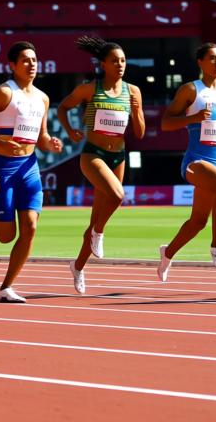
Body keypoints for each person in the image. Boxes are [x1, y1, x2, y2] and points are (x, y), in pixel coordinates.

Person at [0, 41, 63, 302]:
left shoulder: (43, 98)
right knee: (5, 236)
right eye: (25, 60)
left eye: (34, 59)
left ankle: (6, 287)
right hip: (3, 168)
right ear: (12, 65)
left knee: (30, 227)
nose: (32, 64)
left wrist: (51, 143)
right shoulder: (3, 93)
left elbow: (41, 138)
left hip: (29, 167)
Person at [57, 35, 146, 294]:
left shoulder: (133, 91)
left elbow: (139, 132)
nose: (120, 65)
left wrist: (137, 110)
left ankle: (78, 266)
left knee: (97, 216)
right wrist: (70, 129)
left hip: (118, 156)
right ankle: (99, 233)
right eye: (114, 61)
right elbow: (63, 107)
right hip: (93, 154)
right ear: (103, 64)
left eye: (123, 61)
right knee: (118, 196)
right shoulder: (90, 88)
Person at [156, 43, 216, 282]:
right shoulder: (191, 90)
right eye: (212, 58)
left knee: (198, 222)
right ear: (200, 62)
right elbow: (166, 123)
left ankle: (167, 254)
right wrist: (195, 117)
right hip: (195, 162)